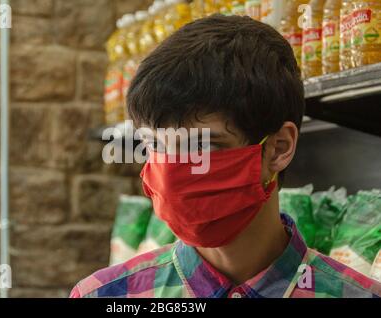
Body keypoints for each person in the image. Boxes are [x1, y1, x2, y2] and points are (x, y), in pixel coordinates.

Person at [70, 14, 381, 298]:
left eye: (202, 146)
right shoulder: (107, 295)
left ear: (279, 148)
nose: (169, 172)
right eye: (156, 145)